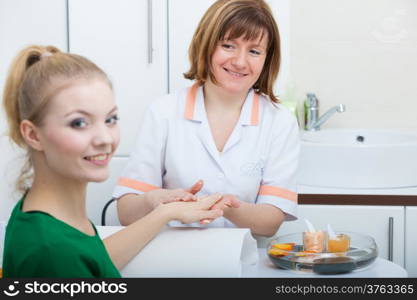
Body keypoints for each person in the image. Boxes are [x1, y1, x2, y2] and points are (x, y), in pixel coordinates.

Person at [1, 45, 223, 278]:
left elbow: (94, 259)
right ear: (34, 135)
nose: (105, 138)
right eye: (79, 123)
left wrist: (166, 213)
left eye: (110, 119)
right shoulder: (51, 250)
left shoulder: (49, 218)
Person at [113, 0, 300, 237]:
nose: (240, 62)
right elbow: (126, 213)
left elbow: (270, 223)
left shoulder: (279, 121)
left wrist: (226, 207)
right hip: (172, 257)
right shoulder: (163, 112)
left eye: (254, 51)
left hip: (242, 262)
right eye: (228, 45)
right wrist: (156, 202)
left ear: (266, 59)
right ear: (206, 45)